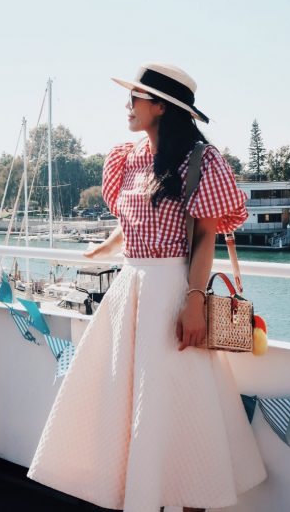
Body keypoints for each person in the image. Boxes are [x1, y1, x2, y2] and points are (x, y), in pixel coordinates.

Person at [28, 62, 266, 512]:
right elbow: (131, 219)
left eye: (135, 97)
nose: (128, 105)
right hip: (129, 291)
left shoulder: (201, 160)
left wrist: (194, 303)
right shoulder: (129, 156)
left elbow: (204, 238)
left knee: (179, 409)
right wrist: (105, 247)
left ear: (160, 106)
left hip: (171, 290)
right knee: (128, 405)